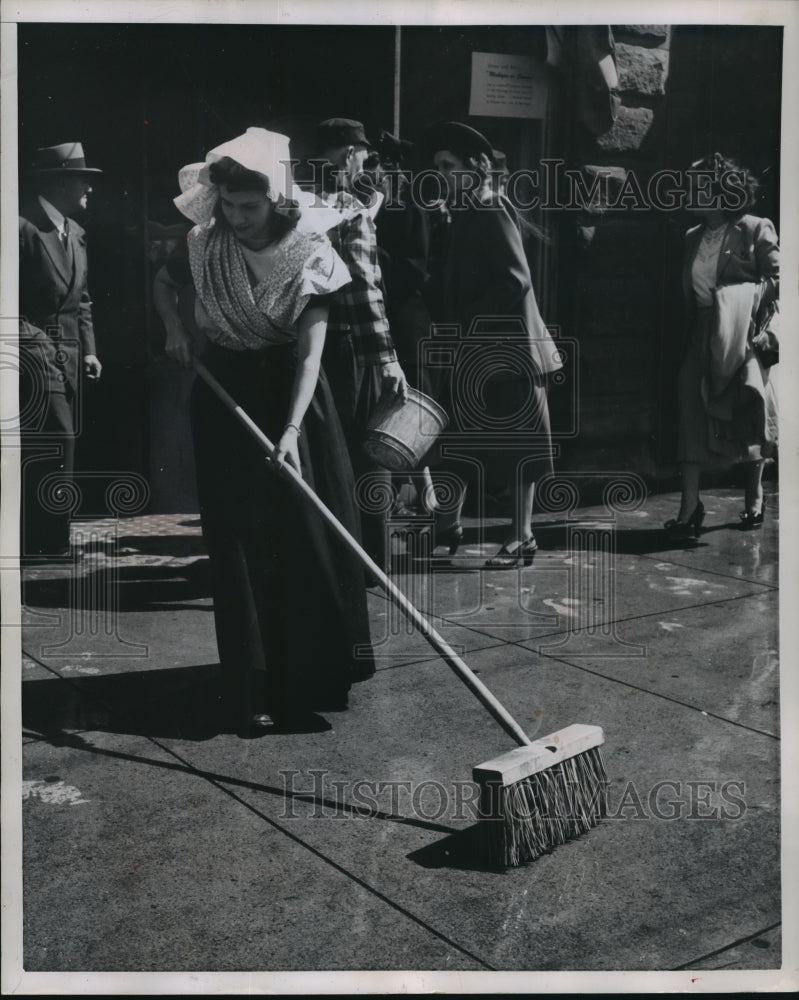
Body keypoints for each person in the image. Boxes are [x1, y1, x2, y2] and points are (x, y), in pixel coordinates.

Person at [152, 127, 375, 735]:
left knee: (305, 532)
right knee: (240, 538)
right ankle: (251, 683)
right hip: (225, 394)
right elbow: (164, 285)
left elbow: (309, 357)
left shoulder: (313, 253)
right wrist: (173, 327)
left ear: (277, 200)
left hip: (293, 397)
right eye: (227, 205)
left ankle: (316, 675)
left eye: (249, 207)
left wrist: (292, 431)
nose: (236, 218)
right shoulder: (204, 242)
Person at [424, 121, 563, 566]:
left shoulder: (490, 206)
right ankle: (448, 525)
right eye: (438, 167)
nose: (441, 174)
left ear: (477, 166)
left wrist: (467, 324)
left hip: (509, 351)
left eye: (448, 166)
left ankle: (522, 538)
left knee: (522, 445)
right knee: (459, 435)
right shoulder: (465, 211)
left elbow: (515, 280)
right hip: (479, 349)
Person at [664, 152, 779, 540]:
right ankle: (689, 506)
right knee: (690, 411)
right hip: (700, 332)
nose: (688, 194)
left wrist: (741, 301)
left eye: (697, 188)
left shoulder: (755, 228)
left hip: (740, 334)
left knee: (745, 409)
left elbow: (780, 279)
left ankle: (754, 494)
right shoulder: (691, 237)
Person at [312, 117, 408, 569]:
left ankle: (334, 553)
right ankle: (371, 560)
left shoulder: (295, 203)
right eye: (363, 156)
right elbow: (365, 289)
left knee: (325, 452)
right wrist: (386, 359)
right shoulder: (349, 207)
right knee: (370, 450)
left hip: (308, 349)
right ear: (350, 155)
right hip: (351, 347)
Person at [19, 142, 103, 558]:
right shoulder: (21, 228)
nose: (89, 188)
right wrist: (36, 346)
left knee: (59, 441)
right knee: (58, 437)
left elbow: (81, 298)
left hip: (67, 356)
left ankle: (49, 539)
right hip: (31, 353)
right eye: (83, 179)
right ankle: (46, 541)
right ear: (58, 182)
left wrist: (88, 350)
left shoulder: (76, 232)